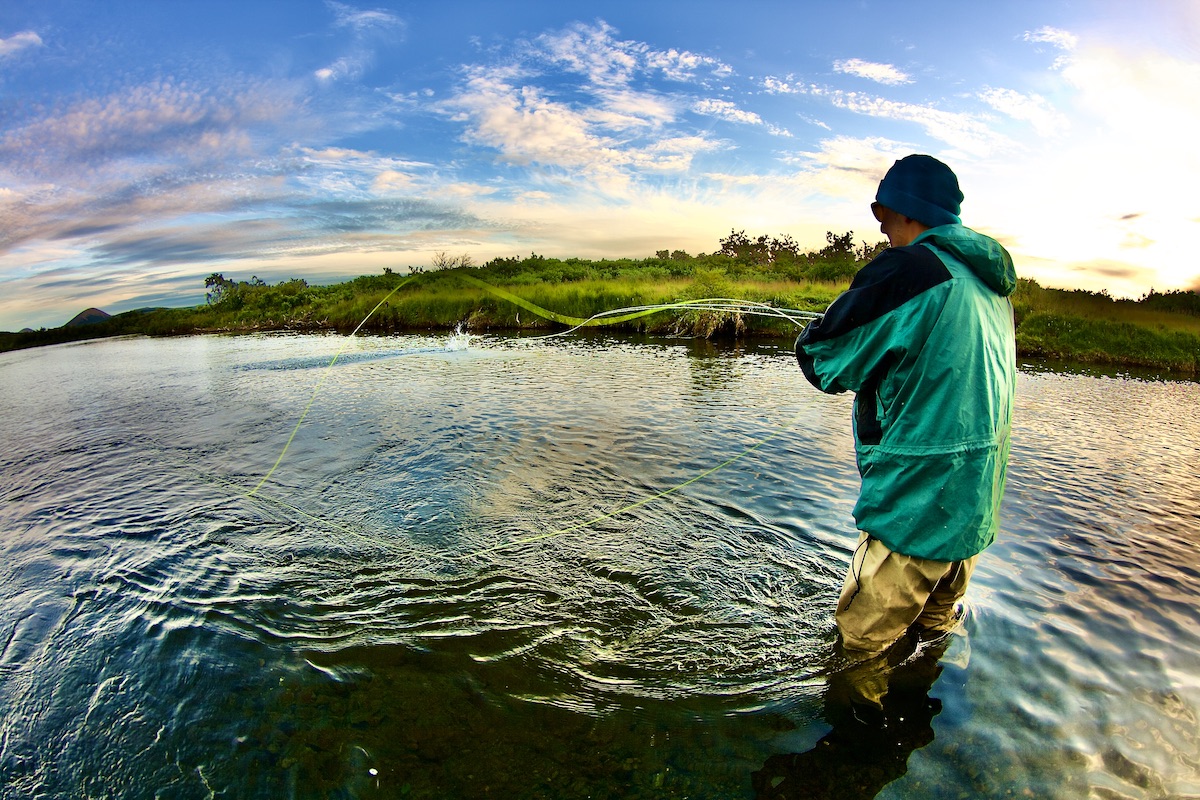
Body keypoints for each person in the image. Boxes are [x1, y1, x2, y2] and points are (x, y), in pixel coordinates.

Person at [795, 154, 1017, 658]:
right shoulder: (992, 286)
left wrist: (810, 337)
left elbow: (827, 361)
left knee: (859, 648)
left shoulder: (910, 269)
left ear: (906, 211)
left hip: (917, 504)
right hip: (971, 504)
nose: (881, 228)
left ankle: (859, 731)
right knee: (933, 629)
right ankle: (929, 712)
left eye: (881, 213)